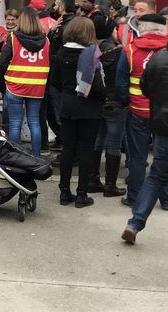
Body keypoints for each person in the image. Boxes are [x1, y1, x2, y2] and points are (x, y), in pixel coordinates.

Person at [122, 16, 168, 246]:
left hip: (162, 124)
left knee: (157, 174)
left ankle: (134, 223)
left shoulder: (159, 60)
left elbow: (145, 88)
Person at [116, 12, 168, 208]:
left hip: (138, 110)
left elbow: (120, 84)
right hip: (167, 113)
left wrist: (127, 102)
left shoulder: (130, 50)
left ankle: (134, 196)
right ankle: (167, 199)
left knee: (137, 157)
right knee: (164, 155)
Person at [51, 17, 106, 208]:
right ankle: (82, 194)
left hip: (67, 105)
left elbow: (55, 82)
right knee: (86, 151)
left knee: (68, 148)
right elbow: (98, 87)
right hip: (89, 107)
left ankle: (64, 191)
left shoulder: (61, 53)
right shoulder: (91, 55)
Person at [0, 8, 50, 157]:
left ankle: (16, 156)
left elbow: (3, 62)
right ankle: (36, 156)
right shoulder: (46, 40)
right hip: (37, 87)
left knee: (15, 124)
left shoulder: (13, 38)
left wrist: (1, 80)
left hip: (15, 86)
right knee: (34, 122)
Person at [89, 16, 127, 197]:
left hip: (97, 101)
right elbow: (121, 80)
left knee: (98, 138)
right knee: (114, 142)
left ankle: (92, 179)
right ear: (109, 31)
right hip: (115, 102)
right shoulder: (119, 52)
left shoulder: (90, 49)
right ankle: (110, 185)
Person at [47, 0, 75, 154]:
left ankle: (67, 148)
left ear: (62, 7)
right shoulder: (63, 23)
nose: (54, 8)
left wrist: (52, 32)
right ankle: (63, 142)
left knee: (59, 113)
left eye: (56, 5)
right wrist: (51, 31)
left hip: (60, 76)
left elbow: (57, 50)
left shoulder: (67, 25)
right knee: (55, 112)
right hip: (58, 76)